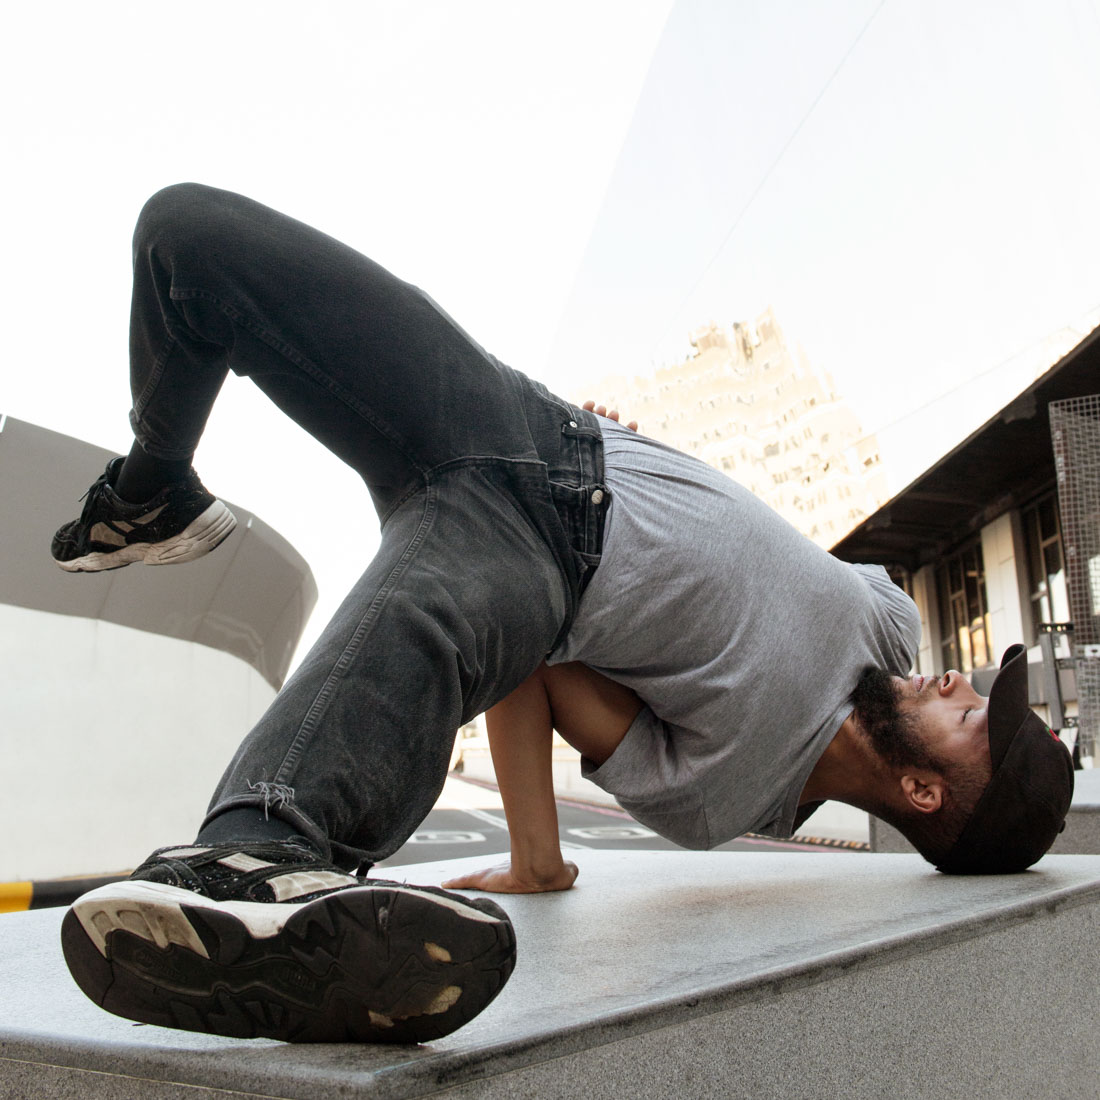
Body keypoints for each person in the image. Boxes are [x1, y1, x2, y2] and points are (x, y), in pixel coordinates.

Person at [53, 184, 1074, 1046]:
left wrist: (537, 861)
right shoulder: (889, 623)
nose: (958, 680)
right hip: (518, 418)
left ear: (921, 791)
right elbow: (746, 542)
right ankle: (151, 490)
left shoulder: (723, 795)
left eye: (970, 717)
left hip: (533, 555)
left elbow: (537, 669)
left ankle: (253, 860)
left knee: (431, 626)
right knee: (187, 238)